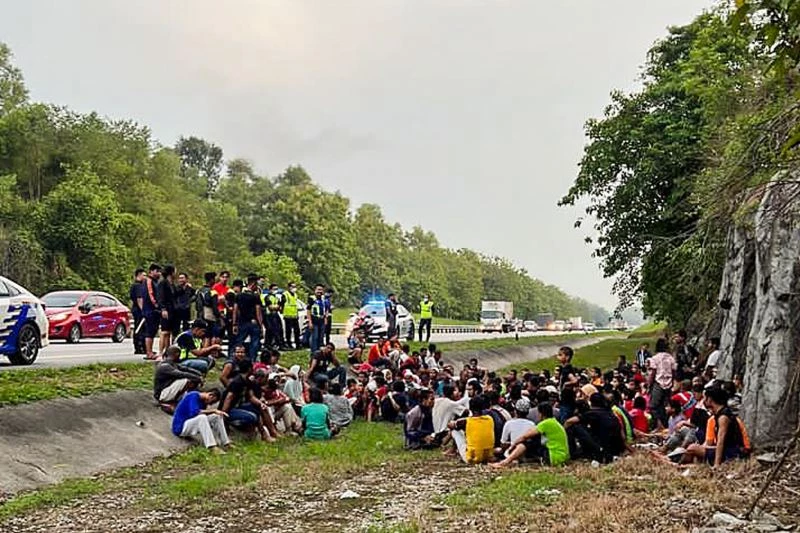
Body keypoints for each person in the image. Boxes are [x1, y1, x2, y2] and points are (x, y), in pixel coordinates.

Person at [683, 387, 748, 466]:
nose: (703, 401)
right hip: (727, 449)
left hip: (733, 451)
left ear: (710, 399)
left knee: (693, 448)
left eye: (705, 398)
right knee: (692, 451)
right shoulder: (718, 415)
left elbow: (720, 441)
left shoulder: (723, 417)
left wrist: (717, 464)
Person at [494, 402, 569, 467]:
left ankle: (505, 462)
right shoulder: (553, 422)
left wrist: (512, 445)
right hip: (562, 456)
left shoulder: (545, 423)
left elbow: (525, 437)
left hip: (554, 456)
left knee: (526, 443)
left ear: (541, 414)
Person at [220, 360, 278, 442]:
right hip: (230, 409)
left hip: (239, 406)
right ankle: (263, 433)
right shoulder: (237, 382)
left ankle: (269, 433)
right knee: (252, 417)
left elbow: (251, 397)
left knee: (261, 407)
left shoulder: (247, 380)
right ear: (249, 369)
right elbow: (228, 398)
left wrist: (260, 403)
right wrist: (223, 414)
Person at [564, 393, 625, 463]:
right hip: (617, 449)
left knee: (574, 427)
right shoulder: (610, 413)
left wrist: (563, 431)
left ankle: (572, 453)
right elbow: (622, 435)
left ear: (591, 402)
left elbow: (569, 421)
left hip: (604, 449)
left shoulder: (593, 413)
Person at [171, 389, 230, 454]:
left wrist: (215, 413)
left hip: (190, 423)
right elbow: (195, 413)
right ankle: (212, 447)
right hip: (180, 427)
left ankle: (226, 443)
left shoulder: (203, 403)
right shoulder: (193, 396)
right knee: (202, 417)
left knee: (217, 417)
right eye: (212, 402)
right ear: (210, 395)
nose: (210, 404)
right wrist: (213, 410)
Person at [449, 396, 495, 464]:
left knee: (454, 431)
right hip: (488, 457)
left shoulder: (466, 421)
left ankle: (453, 450)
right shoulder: (490, 419)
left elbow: (450, 425)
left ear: (470, 408)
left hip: (472, 458)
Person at [232, 274, 264, 362]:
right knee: (254, 342)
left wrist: (234, 323)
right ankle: (252, 360)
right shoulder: (255, 296)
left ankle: (236, 358)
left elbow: (235, 310)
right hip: (253, 322)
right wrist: (261, 325)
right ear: (253, 284)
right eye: (256, 285)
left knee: (239, 341)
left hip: (242, 322)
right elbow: (258, 312)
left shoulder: (239, 296)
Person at [647, 337, 677, 429]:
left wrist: (649, 385)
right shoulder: (670, 358)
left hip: (658, 383)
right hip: (669, 383)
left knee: (654, 405)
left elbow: (653, 373)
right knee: (665, 405)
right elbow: (674, 371)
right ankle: (665, 423)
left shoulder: (655, 358)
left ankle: (659, 424)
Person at [139, 263, 162, 360]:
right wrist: (157, 305)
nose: (159, 273)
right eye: (157, 271)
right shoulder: (149, 281)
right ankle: (149, 352)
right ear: (151, 271)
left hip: (153, 311)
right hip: (150, 310)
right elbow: (151, 295)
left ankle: (150, 351)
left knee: (153, 331)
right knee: (150, 331)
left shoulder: (156, 282)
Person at [196, 272, 223, 348]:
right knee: (212, 336)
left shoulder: (199, 291)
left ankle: (203, 350)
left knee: (204, 336)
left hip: (201, 317)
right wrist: (219, 317)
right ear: (211, 280)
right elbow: (215, 308)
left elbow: (197, 305)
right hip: (211, 317)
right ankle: (211, 351)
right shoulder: (212, 292)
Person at [156, 265, 177, 356]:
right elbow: (160, 297)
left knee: (169, 332)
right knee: (164, 331)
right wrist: (163, 308)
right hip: (166, 309)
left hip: (172, 309)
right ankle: (160, 352)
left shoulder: (172, 284)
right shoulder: (163, 283)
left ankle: (167, 352)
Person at [262, 283, 285, 350]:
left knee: (279, 329)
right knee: (271, 330)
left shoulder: (276, 297)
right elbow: (271, 307)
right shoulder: (268, 297)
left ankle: (279, 344)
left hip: (276, 314)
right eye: (274, 289)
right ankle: (268, 344)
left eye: (276, 289)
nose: (276, 290)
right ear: (270, 289)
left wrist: (281, 304)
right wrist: (278, 305)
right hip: (269, 315)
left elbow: (280, 308)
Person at [130, 268, 146, 355]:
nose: (145, 277)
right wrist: (143, 310)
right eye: (144, 275)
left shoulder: (135, 285)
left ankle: (139, 347)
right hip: (139, 310)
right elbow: (139, 299)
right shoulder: (138, 286)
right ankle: (140, 347)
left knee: (139, 328)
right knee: (140, 328)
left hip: (136, 309)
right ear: (139, 275)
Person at [283, 282, 301, 350]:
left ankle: (298, 344)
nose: (294, 288)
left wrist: (297, 314)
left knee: (297, 331)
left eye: (295, 287)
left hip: (294, 315)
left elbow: (295, 305)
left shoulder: (295, 295)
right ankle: (289, 344)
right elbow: (282, 304)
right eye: (292, 286)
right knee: (288, 331)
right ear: (289, 287)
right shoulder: (285, 294)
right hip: (288, 316)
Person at [309, 284, 326, 353]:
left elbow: (326, 309)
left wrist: (325, 318)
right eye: (318, 290)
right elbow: (308, 310)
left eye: (321, 290)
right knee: (315, 337)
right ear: (315, 290)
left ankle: (319, 352)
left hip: (321, 320)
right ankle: (314, 352)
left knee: (321, 337)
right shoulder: (312, 299)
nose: (320, 291)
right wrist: (310, 322)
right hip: (314, 320)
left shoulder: (324, 299)